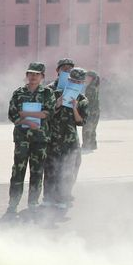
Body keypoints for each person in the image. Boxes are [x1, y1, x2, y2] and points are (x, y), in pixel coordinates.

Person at [3, 62, 56, 219]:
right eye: (30, 74)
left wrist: (24, 114)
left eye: (37, 74)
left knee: (37, 171)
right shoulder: (18, 93)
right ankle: (13, 203)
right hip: (22, 138)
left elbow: (49, 112)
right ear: (26, 75)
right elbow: (12, 114)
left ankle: (33, 203)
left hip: (40, 138)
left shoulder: (47, 93)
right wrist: (27, 121)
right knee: (18, 171)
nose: (33, 77)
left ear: (42, 77)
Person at [44, 68, 89, 210]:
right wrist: (57, 104)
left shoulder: (82, 100)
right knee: (51, 168)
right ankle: (48, 197)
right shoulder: (55, 94)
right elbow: (47, 115)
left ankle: (63, 197)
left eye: (78, 82)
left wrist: (75, 108)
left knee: (68, 170)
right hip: (53, 138)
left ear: (82, 83)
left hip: (70, 141)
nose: (75, 83)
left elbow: (81, 122)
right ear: (68, 80)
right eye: (72, 80)